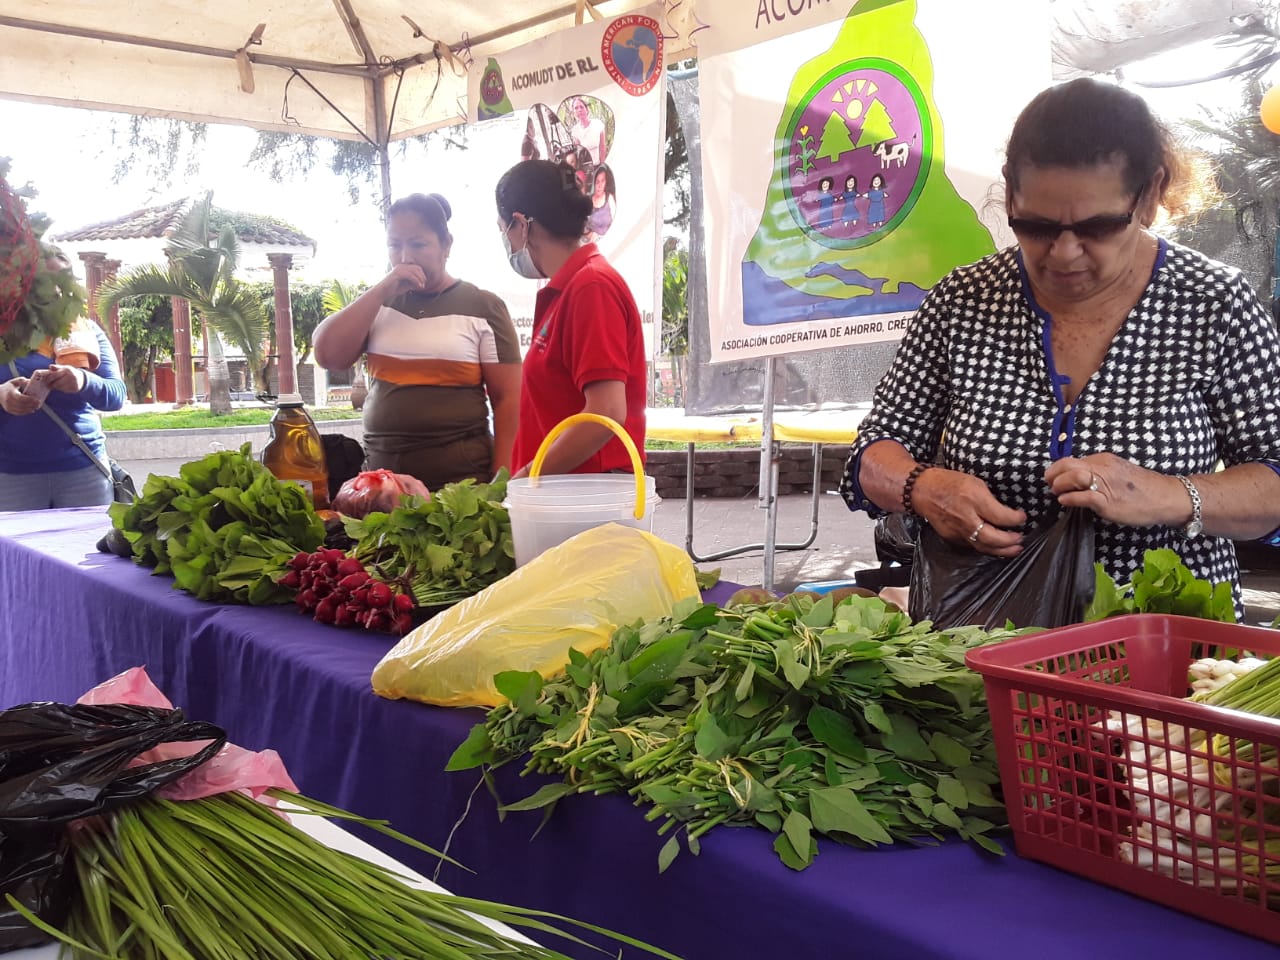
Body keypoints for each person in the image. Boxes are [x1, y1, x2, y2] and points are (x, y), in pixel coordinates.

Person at [839, 77, 1280, 615]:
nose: (1065, 253)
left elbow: (1272, 476)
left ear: (1149, 195)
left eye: (1097, 227)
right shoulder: (963, 301)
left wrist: (1164, 494)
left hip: (1160, 638)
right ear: (1010, 191)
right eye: (1036, 226)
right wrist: (924, 488)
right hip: (978, 639)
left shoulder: (1215, 304)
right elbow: (874, 452)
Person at [313, 192, 521, 490]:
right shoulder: (377, 305)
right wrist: (381, 291)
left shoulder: (483, 307)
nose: (405, 257)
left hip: (460, 489)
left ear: (446, 245)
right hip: (383, 487)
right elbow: (328, 355)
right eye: (394, 245)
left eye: (418, 244)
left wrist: (501, 483)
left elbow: (509, 400)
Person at [494, 159, 646, 477]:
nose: (508, 242)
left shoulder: (591, 286)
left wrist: (530, 476)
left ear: (521, 224)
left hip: (588, 496)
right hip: (566, 493)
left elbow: (607, 411)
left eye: (504, 230)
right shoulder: (569, 288)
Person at [0, 263, 127, 511]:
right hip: (10, 476)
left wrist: (83, 381)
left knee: (86, 549)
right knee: (17, 550)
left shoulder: (86, 332)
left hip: (83, 471)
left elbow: (116, 395)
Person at [569, 96, 607, 167]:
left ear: (586, 109)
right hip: (587, 168)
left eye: (581, 107)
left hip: (599, 164)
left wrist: (602, 166)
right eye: (576, 108)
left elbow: (602, 146)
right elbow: (579, 153)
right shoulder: (575, 131)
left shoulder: (597, 124)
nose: (579, 110)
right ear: (574, 112)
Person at [584, 163, 617, 243]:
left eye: (603, 181)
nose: (600, 185)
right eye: (597, 182)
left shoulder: (610, 199)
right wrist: (589, 234)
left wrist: (598, 234)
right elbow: (583, 228)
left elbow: (615, 224)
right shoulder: (587, 201)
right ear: (593, 183)